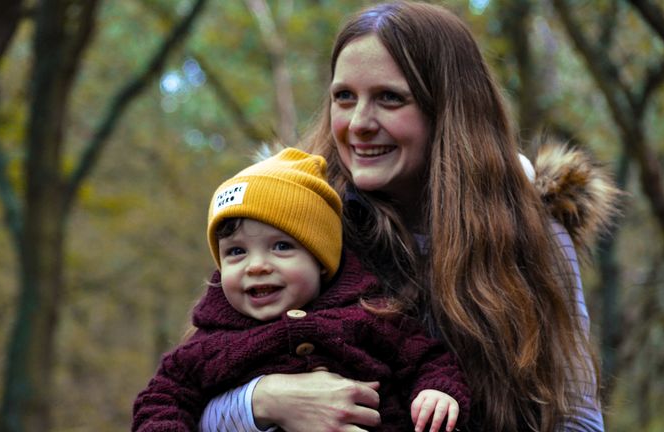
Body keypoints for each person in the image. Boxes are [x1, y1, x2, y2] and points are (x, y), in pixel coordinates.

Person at [199, 2, 620, 432]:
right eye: (344, 97)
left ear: (448, 109)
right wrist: (264, 400)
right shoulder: (293, 222)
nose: (359, 122)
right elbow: (188, 397)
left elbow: (577, 418)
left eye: (390, 98)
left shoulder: (531, 230)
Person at [132, 148, 471, 432]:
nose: (256, 265)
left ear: (321, 259)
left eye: (281, 246)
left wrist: (437, 392)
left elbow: (428, 359)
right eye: (236, 251)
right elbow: (160, 401)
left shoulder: (370, 316)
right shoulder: (210, 345)